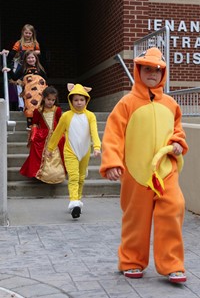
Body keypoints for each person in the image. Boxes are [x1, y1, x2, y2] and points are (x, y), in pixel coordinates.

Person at [99, 47, 189, 283]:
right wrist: (111, 162)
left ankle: (172, 264)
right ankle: (131, 261)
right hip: (136, 173)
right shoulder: (126, 103)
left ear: (163, 74)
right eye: (147, 69)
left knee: (173, 208)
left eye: (157, 70)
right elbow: (113, 134)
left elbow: (177, 129)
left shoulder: (171, 104)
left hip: (165, 170)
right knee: (135, 218)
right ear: (138, 71)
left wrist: (178, 142)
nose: (152, 73)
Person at [46, 83, 101, 219]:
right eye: (76, 100)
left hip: (85, 151)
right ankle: (74, 201)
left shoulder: (90, 116)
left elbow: (94, 132)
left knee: (81, 178)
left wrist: (97, 147)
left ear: (86, 100)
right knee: (74, 177)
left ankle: (77, 201)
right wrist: (50, 148)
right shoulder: (66, 116)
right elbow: (57, 133)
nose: (79, 103)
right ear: (71, 101)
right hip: (70, 151)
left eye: (82, 100)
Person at [20, 86, 66, 184]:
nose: (51, 102)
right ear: (44, 98)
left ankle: (56, 175)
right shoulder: (38, 110)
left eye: (53, 100)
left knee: (57, 156)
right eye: (49, 99)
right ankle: (40, 174)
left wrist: (62, 133)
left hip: (55, 136)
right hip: (43, 135)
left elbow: (60, 123)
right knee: (39, 153)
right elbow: (35, 123)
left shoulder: (57, 110)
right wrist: (34, 132)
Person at [2, 50, 47, 129]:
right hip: (29, 92)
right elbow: (15, 77)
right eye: (28, 58)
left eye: (32, 57)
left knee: (39, 106)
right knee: (29, 106)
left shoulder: (40, 69)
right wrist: (9, 71)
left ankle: (38, 123)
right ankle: (29, 125)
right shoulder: (23, 68)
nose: (31, 59)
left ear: (36, 58)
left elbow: (44, 80)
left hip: (39, 93)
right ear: (26, 60)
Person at [1, 24, 40, 111]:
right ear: (23, 33)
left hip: (31, 65)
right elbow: (12, 54)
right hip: (22, 65)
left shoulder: (35, 43)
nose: (28, 35)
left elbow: (38, 51)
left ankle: (32, 105)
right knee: (18, 83)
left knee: (32, 85)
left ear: (32, 34)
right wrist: (7, 53)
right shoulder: (19, 43)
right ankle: (22, 106)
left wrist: (31, 52)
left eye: (30, 33)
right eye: (26, 33)